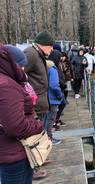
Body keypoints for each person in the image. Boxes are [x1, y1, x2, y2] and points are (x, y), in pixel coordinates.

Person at [0, 45, 44, 184]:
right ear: (12, 64)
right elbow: (15, 126)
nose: (24, 69)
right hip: (14, 154)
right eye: (21, 65)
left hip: (9, 151)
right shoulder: (7, 86)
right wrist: (37, 126)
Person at [24, 31, 54, 179]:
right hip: (33, 103)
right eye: (50, 46)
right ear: (43, 45)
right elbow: (19, 74)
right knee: (32, 137)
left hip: (40, 101)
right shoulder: (30, 54)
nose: (52, 50)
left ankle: (40, 158)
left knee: (39, 133)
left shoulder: (38, 54)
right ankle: (34, 167)